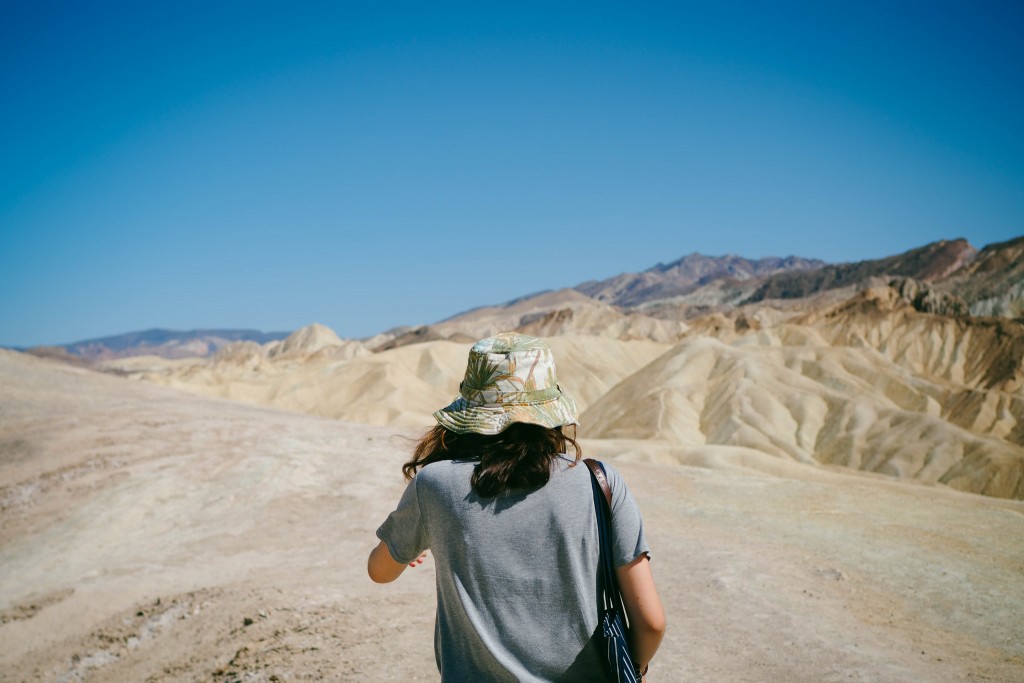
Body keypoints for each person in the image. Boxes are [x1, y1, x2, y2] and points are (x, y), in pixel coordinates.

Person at [368, 332, 666, 681]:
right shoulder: (600, 482)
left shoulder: (434, 486)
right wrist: (636, 668)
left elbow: (380, 571)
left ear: (472, 409)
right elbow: (651, 623)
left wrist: (409, 543)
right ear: (550, 410)